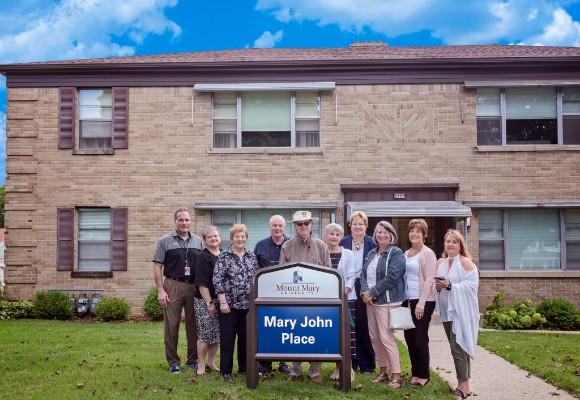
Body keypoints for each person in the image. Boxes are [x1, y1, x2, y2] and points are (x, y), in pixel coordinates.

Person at [279, 210, 331, 384]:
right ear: (295, 226)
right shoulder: (287, 246)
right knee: (296, 334)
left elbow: (329, 272)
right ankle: (295, 370)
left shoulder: (321, 246)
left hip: (317, 301)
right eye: (299, 224)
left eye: (306, 223)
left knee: (315, 333)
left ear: (311, 224)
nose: (303, 226)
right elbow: (281, 272)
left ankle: (315, 371)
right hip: (294, 300)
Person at [152, 208, 202, 373]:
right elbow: (157, 266)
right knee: (172, 325)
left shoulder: (197, 241)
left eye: (187, 220)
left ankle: (192, 359)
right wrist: (160, 290)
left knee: (193, 325)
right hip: (172, 285)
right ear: (175, 221)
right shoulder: (164, 241)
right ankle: (174, 362)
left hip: (193, 286)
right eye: (181, 220)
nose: (184, 223)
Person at [434, 229, 479, 400]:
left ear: (460, 245)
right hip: (447, 312)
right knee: (459, 347)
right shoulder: (441, 262)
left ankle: (462, 385)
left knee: (458, 348)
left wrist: (450, 285)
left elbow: (471, 287)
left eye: (454, 241)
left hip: (461, 312)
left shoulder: (466, 263)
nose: (450, 244)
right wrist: (439, 287)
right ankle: (465, 385)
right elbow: (440, 285)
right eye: (448, 241)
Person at [360, 221, 405, 389]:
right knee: (374, 337)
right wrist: (366, 293)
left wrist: (372, 292)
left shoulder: (396, 253)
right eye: (379, 232)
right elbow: (363, 274)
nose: (382, 235)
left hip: (387, 300)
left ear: (391, 234)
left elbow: (392, 277)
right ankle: (383, 371)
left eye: (386, 232)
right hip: (370, 301)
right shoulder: (371, 253)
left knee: (386, 338)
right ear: (375, 235)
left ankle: (397, 376)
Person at [213, 224, 259, 382]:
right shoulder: (224, 256)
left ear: (246, 238)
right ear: (232, 238)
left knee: (246, 339)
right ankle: (226, 371)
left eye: (243, 236)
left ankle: (244, 368)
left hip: (247, 306)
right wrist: (223, 302)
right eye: (237, 236)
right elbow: (218, 279)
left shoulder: (251, 256)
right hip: (229, 305)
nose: (240, 239)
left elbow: (257, 278)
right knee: (228, 339)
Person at [253, 215, 292, 376]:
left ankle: (284, 362)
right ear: (270, 227)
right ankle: (265, 363)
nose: (277, 228)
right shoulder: (260, 245)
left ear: (285, 227)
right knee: (266, 327)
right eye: (274, 225)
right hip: (266, 295)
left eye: (280, 225)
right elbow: (254, 269)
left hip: (287, 294)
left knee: (286, 327)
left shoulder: (291, 244)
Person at [339, 211, 376, 375]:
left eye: (361, 224)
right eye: (355, 223)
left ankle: (367, 364)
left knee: (364, 327)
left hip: (366, 287)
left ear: (366, 226)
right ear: (350, 226)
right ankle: (351, 363)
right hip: (348, 287)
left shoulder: (372, 243)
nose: (358, 227)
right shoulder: (343, 242)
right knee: (349, 326)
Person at [403, 218, 437, 387]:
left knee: (420, 338)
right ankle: (415, 372)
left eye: (418, 231)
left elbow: (430, 279)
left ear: (424, 234)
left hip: (423, 301)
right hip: (408, 300)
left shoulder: (427, 253)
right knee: (409, 338)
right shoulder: (406, 253)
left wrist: (421, 303)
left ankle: (424, 375)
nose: (414, 234)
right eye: (412, 230)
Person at [324, 223, 356, 383]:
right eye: (331, 234)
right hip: (327, 301)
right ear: (326, 236)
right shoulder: (321, 253)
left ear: (341, 237)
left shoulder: (348, 254)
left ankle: (348, 368)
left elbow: (351, 276)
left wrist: (344, 294)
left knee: (347, 335)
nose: (334, 237)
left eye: (337, 234)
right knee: (333, 334)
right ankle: (337, 367)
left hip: (346, 299)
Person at [193, 225, 222, 376]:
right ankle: (201, 364)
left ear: (220, 238)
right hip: (205, 301)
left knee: (216, 334)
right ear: (204, 240)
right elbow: (201, 282)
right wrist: (209, 303)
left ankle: (211, 362)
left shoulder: (223, 254)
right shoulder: (202, 257)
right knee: (204, 334)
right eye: (209, 237)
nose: (213, 239)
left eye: (215, 236)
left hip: (220, 300)